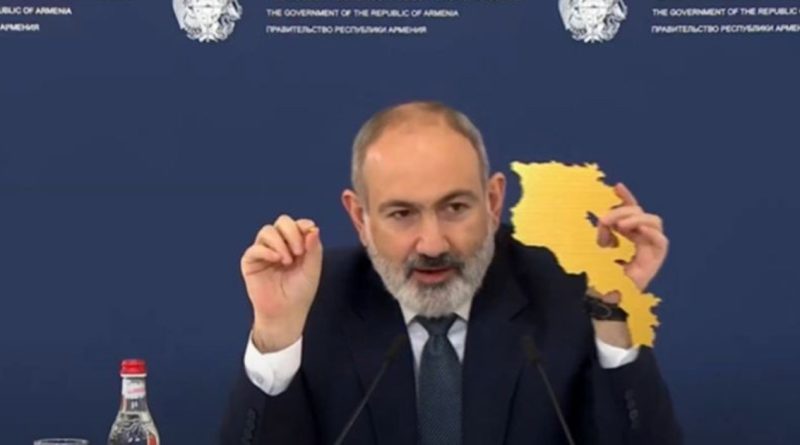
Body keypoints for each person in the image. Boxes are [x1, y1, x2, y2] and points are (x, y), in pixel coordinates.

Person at [220, 101, 682, 445]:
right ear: (360, 218)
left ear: (494, 201)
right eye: (402, 214)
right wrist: (276, 336)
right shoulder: (315, 302)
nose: (433, 244)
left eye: (455, 208)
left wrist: (611, 307)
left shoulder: (566, 293)